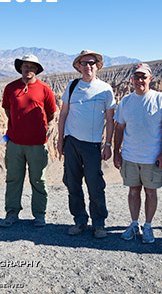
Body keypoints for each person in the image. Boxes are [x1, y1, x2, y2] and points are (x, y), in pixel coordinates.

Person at [113, 63, 162, 244]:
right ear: (132, 79)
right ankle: (134, 224)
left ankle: (148, 226)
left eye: (143, 77)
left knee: (150, 192)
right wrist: (117, 153)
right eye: (136, 77)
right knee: (133, 192)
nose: (140, 80)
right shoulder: (126, 101)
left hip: (152, 157)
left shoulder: (159, 99)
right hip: (130, 156)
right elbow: (119, 128)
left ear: (150, 79)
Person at [57, 50, 116, 238]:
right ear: (79, 66)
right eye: (84, 63)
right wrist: (60, 139)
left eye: (91, 63)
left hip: (92, 144)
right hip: (72, 142)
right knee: (72, 183)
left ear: (97, 65)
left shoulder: (105, 89)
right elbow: (63, 114)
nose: (88, 66)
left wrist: (108, 144)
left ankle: (99, 223)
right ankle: (80, 221)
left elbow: (110, 119)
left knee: (95, 184)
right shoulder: (72, 86)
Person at [0, 54, 57, 228]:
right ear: (20, 68)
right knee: (13, 179)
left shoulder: (44, 89)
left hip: (37, 144)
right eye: (26, 66)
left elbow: (51, 114)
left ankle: (39, 215)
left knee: (38, 180)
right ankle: (11, 213)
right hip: (15, 143)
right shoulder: (10, 88)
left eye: (32, 66)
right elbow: (8, 110)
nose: (29, 69)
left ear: (37, 69)